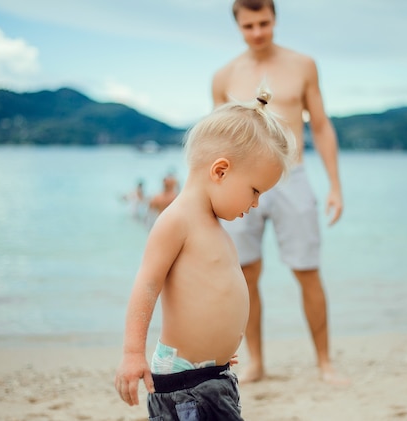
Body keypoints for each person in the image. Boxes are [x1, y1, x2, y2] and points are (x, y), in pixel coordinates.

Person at [114, 87, 296, 420]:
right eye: (255, 190)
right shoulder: (177, 219)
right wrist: (131, 353)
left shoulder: (211, 224)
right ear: (221, 171)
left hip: (211, 375)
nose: (256, 203)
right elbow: (147, 284)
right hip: (186, 382)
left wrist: (218, 347)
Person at [212, 0, 347, 385]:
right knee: (246, 273)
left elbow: (320, 125)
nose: (257, 32)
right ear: (238, 25)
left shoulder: (302, 65)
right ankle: (256, 363)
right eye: (249, 26)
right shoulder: (223, 76)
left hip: (293, 175)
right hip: (241, 182)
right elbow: (217, 139)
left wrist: (335, 185)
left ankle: (324, 362)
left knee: (307, 270)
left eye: (264, 23)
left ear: (275, 19)